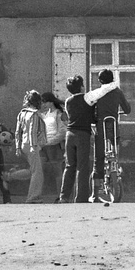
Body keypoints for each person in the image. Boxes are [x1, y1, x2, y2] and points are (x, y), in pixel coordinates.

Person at [87, 69, 131, 202]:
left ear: (100, 81)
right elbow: (127, 109)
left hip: (101, 129)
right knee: (115, 154)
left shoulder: (98, 93)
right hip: (113, 128)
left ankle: (95, 194)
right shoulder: (118, 92)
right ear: (112, 79)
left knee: (98, 159)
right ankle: (116, 168)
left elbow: (91, 110)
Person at [60, 75, 94, 203]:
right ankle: (81, 198)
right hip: (83, 134)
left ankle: (64, 197)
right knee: (82, 167)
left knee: (69, 166)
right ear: (81, 86)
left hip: (70, 134)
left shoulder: (68, 101)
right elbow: (92, 117)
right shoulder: (87, 99)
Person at [15, 90, 47, 202]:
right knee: (37, 173)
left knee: (33, 170)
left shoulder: (21, 113)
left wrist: (17, 147)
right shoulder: (34, 114)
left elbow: (17, 132)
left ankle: (11, 176)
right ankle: (33, 197)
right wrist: (34, 146)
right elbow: (32, 131)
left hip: (24, 145)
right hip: (32, 145)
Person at [39, 91, 67, 202]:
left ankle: (61, 196)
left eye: (45, 102)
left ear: (51, 102)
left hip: (54, 147)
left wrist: (51, 141)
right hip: (44, 146)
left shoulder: (59, 113)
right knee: (38, 170)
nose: (44, 104)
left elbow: (62, 131)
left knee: (58, 173)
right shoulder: (44, 114)